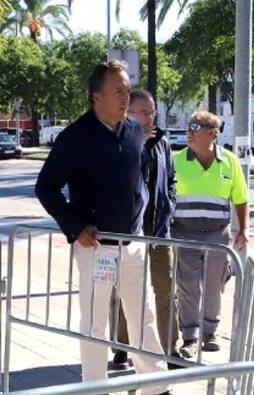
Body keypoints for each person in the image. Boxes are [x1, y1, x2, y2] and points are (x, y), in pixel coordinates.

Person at [35, 60, 190, 395]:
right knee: (95, 321)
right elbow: (46, 188)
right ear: (96, 96)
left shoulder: (134, 130)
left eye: (127, 89)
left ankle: (154, 388)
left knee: (143, 315)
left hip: (133, 242)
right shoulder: (74, 137)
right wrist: (76, 226)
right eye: (118, 91)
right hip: (96, 247)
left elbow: (143, 179)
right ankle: (97, 391)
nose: (126, 97)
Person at [111, 89, 180, 369]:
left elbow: (171, 179)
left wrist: (169, 206)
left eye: (153, 112)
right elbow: (121, 178)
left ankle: (169, 348)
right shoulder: (120, 142)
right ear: (128, 114)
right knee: (125, 292)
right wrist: (139, 145)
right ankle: (121, 348)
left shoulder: (163, 143)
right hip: (128, 233)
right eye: (145, 112)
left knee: (165, 290)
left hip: (158, 231)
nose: (151, 118)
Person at [172, 110, 249, 358]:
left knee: (215, 284)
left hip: (218, 234)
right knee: (188, 285)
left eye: (196, 127)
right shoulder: (177, 161)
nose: (189, 132)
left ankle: (210, 332)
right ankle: (190, 337)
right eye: (189, 127)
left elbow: (241, 198)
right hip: (184, 232)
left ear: (212, 133)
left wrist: (243, 230)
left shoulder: (230, 162)